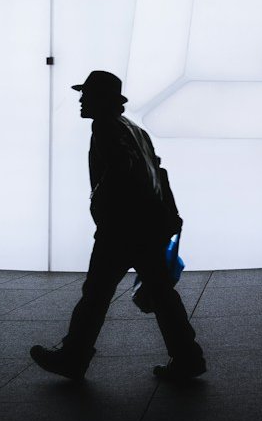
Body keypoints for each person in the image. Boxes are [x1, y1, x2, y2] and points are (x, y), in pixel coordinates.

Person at [30, 70, 206, 382]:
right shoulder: (136, 129)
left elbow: (120, 171)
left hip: (122, 227)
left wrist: (99, 204)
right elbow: (159, 173)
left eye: (86, 94)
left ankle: (73, 357)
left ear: (102, 99)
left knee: (96, 293)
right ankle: (187, 357)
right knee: (161, 293)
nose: (81, 100)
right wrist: (172, 216)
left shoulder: (105, 127)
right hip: (149, 224)